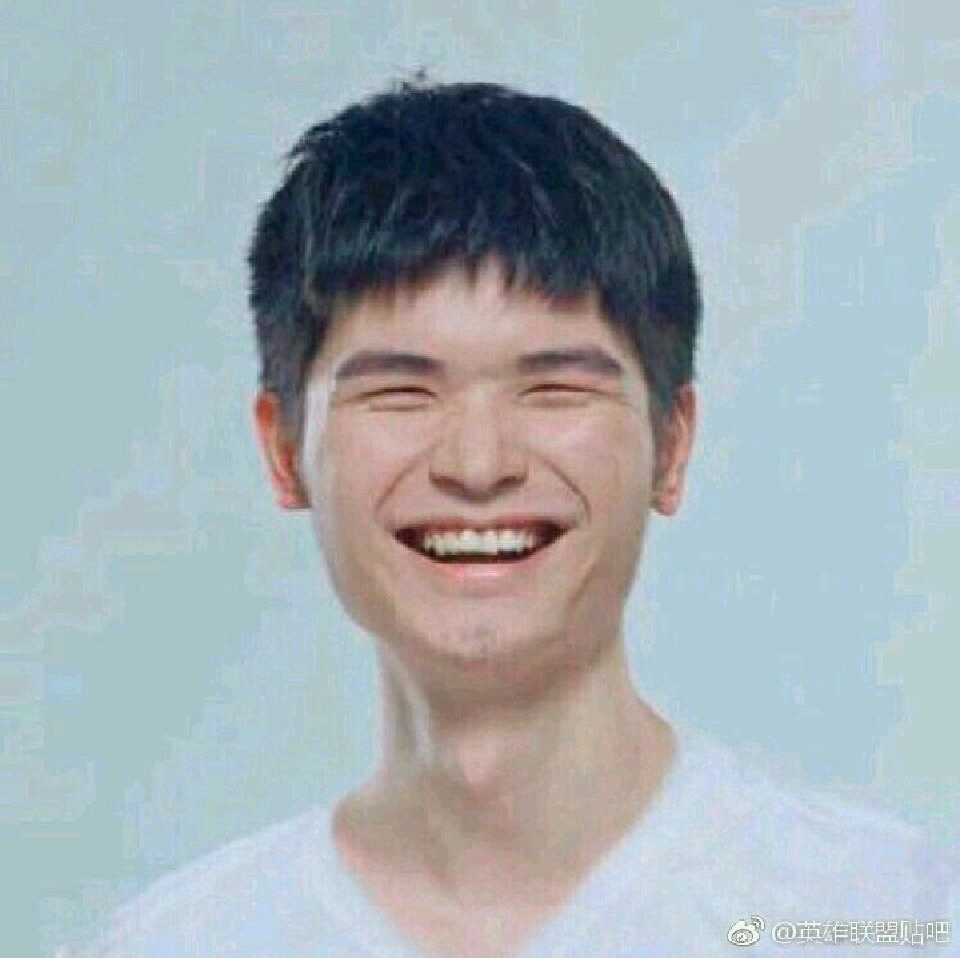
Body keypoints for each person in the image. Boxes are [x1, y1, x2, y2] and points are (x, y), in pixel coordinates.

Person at [61, 80, 956, 958]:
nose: (478, 464)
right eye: (401, 393)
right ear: (284, 449)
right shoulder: (174, 944)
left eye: (555, 387)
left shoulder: (888, 915)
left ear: (672, 443)